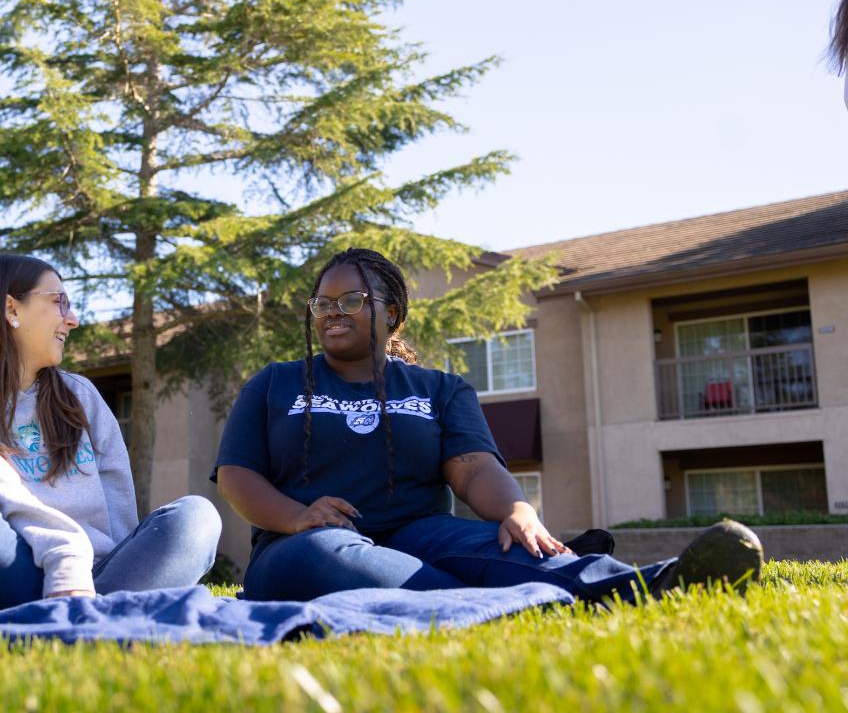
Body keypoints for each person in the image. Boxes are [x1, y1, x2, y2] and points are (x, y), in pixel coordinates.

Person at [213, 247, 762, 603]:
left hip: (416, 537)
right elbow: (238, 476)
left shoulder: (440, 389)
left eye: (353, 300)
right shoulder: (276, 383)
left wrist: (518, 511)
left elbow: (475, 470)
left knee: (508, 546)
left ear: (394, 314)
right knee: (323, 555)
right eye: (323, 303)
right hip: (298, 547)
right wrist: (298, 517)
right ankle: (495, 603)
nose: (334, 311)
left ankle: (658, 585)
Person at [0, 254, 221, 615]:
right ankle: (100, 614)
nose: (73, 319)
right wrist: (66, 556)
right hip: (9, 569)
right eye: (59, 302)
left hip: (95, 579)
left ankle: (56, 615)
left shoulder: (80, 396)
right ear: (11, 309)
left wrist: (121, 569)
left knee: (197, 516)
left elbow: (118, 510)